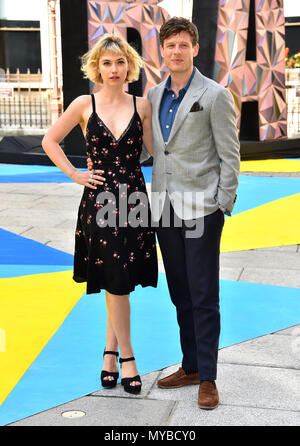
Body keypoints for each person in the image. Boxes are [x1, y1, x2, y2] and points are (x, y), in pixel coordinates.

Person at [42, 33, 158, 395]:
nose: (113, 68)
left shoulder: (142, 106)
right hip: (100, 203)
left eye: (120, 62)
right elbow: (49, 140)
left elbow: (157, 152)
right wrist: (76, 173)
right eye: (106, 63)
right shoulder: (83, 103)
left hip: (134, 201)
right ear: (96, 67)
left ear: (130, 66)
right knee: (116, 278)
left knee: (118, 279)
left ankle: (109, 353)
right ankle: (128, 358)